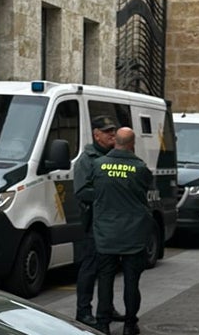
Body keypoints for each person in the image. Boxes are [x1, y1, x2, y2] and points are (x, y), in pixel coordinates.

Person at [84, 126, 152, 335]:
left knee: (105, 278)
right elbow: (146, 188)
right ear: (132, 144)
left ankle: (103, 322)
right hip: (133, 234)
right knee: (132, 281)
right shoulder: (140, 168)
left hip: (106, 233)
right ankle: (130, 324)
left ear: (115, 142)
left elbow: (89, 190)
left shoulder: (98, 165)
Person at [73, 115, 126, 328]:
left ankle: (106, 307)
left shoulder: (115, 156)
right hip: (94, 223)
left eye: (113, 131)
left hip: (113, 223)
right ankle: (83, 311)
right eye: (107, 132)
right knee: (90, 268)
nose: (112, 134)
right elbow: (82, 191)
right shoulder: (87, 159)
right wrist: (108, 194)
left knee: (109, 269)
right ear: (96, 134)